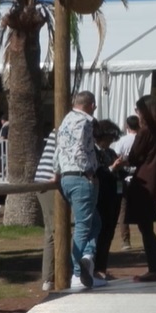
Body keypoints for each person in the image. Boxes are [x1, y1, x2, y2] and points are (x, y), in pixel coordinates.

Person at [53, 91, 105, 289]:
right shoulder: (85, 122)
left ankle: (87, 262)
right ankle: (77, 273)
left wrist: (57, 173)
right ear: (91, 104)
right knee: (83, 225)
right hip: (81, 177)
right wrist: (88, 171)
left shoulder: (65, 121)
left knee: (94, 222)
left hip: (66, 177)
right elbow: (79, 149)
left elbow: (59, 150)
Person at [124, 95, 156, 283]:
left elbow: (133, 156)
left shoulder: (145, 132)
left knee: (145, 227)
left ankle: (154, 267)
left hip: (145, 181)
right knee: (147, 227)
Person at [92, 120, 125, 281]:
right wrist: (113, 168)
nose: (111, 140)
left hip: (114, 196)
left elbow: (119, 172)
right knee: (99, 232)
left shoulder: (111, 152)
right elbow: (99, 173)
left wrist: (123, 167)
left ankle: (102, 267)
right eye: (109, 137)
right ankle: (94, 268)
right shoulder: (94, 152)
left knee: (109, 232)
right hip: (100, 196)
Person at [34, 129, 57, 291]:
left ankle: (50, 277)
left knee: (51, 230)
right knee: (53, 230)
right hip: (49, 181)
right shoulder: (66, 128)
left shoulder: (61, 128)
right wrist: (57, 175)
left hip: (45, 179)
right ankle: (49, 277)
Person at [113, 115, 139, 250]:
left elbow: (116, 157)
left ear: (127, 126)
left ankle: (126, 241)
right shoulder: (141, 139)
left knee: (123, 208)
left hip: (123, 177)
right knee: (142, 207)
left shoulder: (122, 141)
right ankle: (147, 236)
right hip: (139, 176)